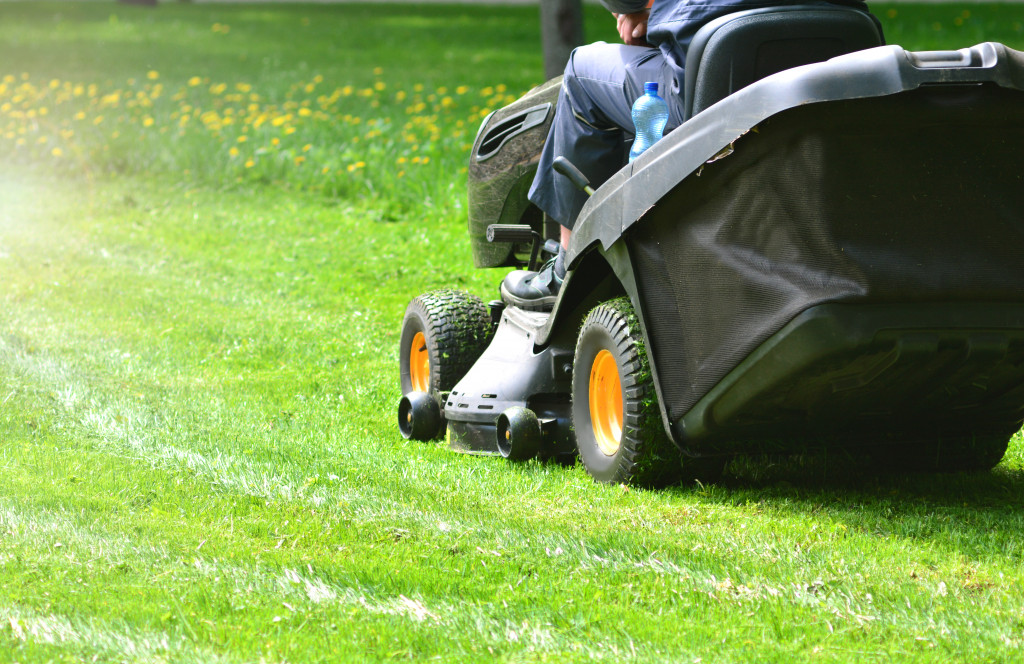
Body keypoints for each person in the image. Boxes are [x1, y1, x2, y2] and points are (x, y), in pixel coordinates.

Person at [500, 0, 870, 311]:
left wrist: (639, 8)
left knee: (583, 69)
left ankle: (568, 268)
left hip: (712, 89)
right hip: (826, 73)